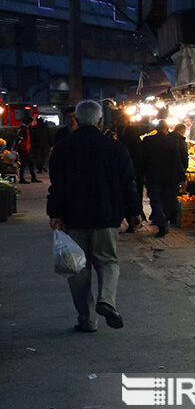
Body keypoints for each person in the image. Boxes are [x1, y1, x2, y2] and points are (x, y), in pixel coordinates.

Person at [46, 99, 140, 332]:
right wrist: (134, 211)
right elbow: (129, 182)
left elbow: (56, 185)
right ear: (100, 120)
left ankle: (87, 320)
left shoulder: (63, 147)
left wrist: (55, 213)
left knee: (77, 268)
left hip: (73, 217)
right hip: (107, 216)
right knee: (107, 260)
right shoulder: (115, 147)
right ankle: (106, 300)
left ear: (76, 120)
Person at [140, 123, 183, 237]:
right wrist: (182, 177)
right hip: (168, 177)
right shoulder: (172, 142)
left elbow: (143, 159)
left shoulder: (147, 141)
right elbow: (177, 161)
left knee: (155, 201)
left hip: (152, 176)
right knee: (166, 200)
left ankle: (161, 222)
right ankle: (164, 220)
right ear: (166, 129)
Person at [16, 116, 39, 183]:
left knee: (28, 163)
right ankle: (24, 179)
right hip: (24, 149)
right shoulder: (24, 129)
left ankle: (31, 178)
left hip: (24, 149)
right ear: (29, 123)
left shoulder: (23, 129)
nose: (32, 124)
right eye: (32, 122)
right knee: (26, 164)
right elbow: (20, 139)